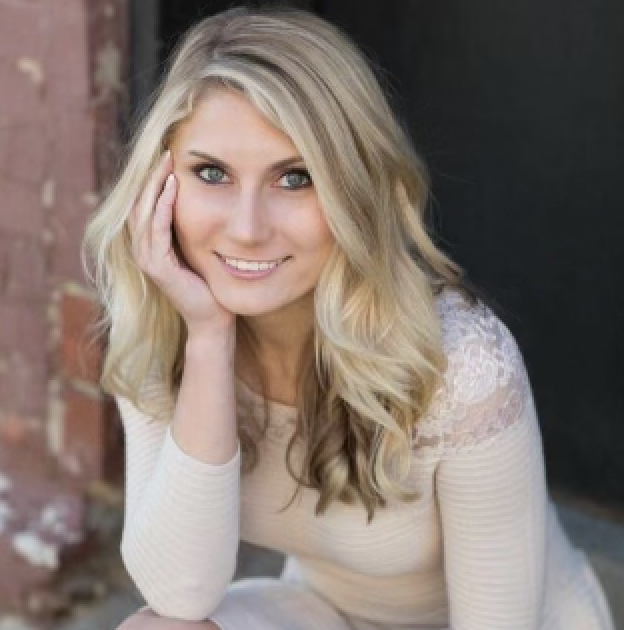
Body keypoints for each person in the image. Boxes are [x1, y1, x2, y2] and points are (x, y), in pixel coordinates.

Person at [83, 6, 614, 630]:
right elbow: (179, 594)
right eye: (212, 173)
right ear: (158, 185)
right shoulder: (165, 325)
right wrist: (208, 338)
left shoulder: (463, 364)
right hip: (327, 613)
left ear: (353, 189)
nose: (247, 229)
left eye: (295, 178)